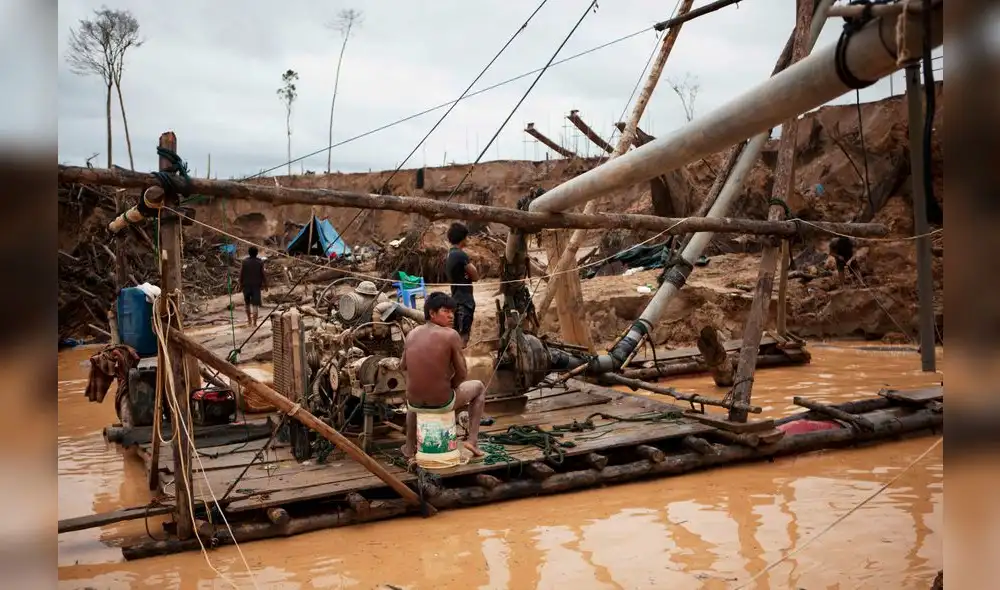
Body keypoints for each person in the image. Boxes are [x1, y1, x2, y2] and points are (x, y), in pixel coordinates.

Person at [399, 292, 485, 460]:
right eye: (445, 311)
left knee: (413, 401)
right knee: (479, 388)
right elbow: (462, 373)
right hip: (441, 402)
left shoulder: (411, 334)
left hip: (414, 402)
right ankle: (473, 441)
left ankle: (409, 448)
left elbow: (403, 366)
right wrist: (451, 385)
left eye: (452, 311)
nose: (451, 316)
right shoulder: (450, 335)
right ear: (432, 313)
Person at [444, 222, 479, 347]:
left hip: (456, 299)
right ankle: (460, 363)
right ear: (462, 238)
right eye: (467, 237)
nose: (468, 239)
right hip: (465, 301)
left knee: (456, 334)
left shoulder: (450, 254)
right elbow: (475, 276)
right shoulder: (460, 255)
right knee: (463, 337)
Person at [238, 246, 267, 327]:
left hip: (246, 285)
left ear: (249, 253)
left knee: (247, 304)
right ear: (257, 253)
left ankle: (249, 320)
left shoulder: (244, 262)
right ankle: (254, 323)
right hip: (256, 286)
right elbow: (263, 274)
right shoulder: (260, 262)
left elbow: (241, 274)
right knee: (255, 305)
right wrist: (266, 284)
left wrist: (240, 284)